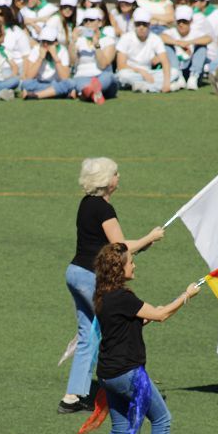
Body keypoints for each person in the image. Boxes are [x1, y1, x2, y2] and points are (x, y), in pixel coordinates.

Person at [84, 242, 199, 434]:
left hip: (108, 374)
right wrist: (186, 295)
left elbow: (124, 323)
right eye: (130, 261)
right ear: (119, 268)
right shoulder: (123, 298)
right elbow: (160, 315)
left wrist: (142, 318)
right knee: (162, 419)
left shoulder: (104, 296)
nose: (134, 265)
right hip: (128, 373)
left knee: (120, 430)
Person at [61, 158, 164, 414]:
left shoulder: (86, 204)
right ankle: (126, 389)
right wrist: (149, 238)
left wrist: (141, 243)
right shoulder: (105, 210)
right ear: (108, 181)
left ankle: (72, 397)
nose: (119, 177)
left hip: (75, 273)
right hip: (91, 277)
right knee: (115, 327)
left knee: (89, 333)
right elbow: (118, 248)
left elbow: (106, 245)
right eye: (116, 174)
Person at [115, 7, 175, 93]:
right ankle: (155, 86)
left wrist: (166, 83)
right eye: (138, 24)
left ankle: (145, 86)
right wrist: (141, 72)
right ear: (134, 24)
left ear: (149, 25)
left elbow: (165, 61)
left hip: (149, 73)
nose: (141, 27)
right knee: (122, 75)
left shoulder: (155, 38)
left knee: (174, 72)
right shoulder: (126, 38)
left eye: (144, 24)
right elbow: (121, 65)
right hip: (131, 71)